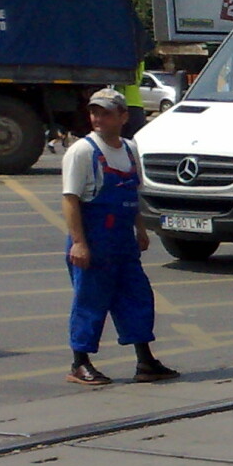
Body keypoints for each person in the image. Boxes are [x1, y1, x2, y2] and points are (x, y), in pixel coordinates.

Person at [61, 88, 178, 386]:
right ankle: (80, 363)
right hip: (94, 241)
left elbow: (133, 194)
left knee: (137, 298)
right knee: (91, 301)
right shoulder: (83, 151)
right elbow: (70, 200)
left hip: (122, 241)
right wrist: (79, 243)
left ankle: (145, 361)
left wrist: (140, 229)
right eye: (94, 112)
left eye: (106, 113)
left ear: (123, 116)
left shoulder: (129, 149)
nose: (98, 118)